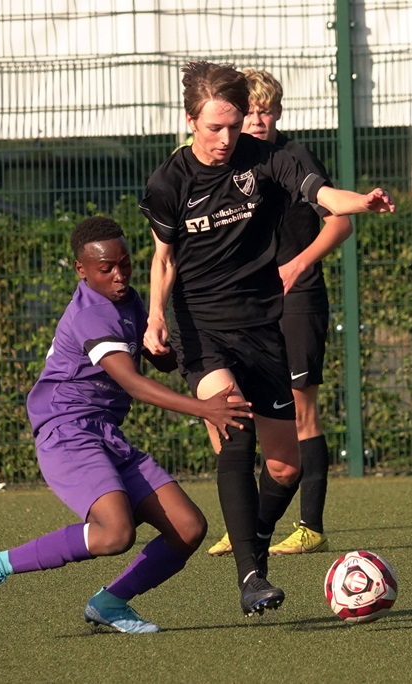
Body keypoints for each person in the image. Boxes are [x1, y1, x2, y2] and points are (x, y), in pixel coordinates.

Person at [139, 61, 394, 616]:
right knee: (235, 430)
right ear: (191, 121)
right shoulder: (168, 183)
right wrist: (156, 316)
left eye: (234, 126)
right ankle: (251, 576)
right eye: (215, 127)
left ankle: (251, 537)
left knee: (284, 468)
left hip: (262, 326)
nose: (227, 138)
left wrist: (361, 202)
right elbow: (164, 259)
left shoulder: (269, 159)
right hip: (201, 329)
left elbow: (323, 195)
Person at [0, 216, 252, 633]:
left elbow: (154, 356)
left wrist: (179, 349)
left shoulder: (127, 300)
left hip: (104, 432)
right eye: (106, 268)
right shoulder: (91, 314)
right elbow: (132, 383)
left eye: (125, 264)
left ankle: (110, 602)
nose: (119, 275)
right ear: (81, 270)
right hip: (67, 431)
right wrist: (204, 407)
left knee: (188, 528)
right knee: (115, 533)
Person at [205, 68, 352, 559]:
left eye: (266, 111)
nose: (257, 120)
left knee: (300, 407)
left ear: (279, 113)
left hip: (297, 298)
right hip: (246, 306)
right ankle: (245, 524)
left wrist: (297, 264)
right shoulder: (228, 165)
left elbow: (340, 223)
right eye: (249, 112)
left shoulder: (295, 157)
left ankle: (311, 526)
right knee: (233, 409)